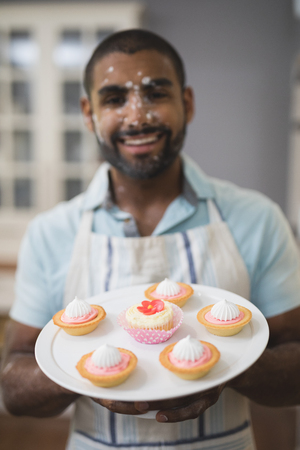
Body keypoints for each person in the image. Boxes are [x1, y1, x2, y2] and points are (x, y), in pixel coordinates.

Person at [1, 28, 300, 450]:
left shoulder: (257, 219)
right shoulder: (51, 234)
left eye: (155, 93)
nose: (136, 116)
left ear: (188, 103)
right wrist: (85, 374)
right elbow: (13, 390)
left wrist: (223, 366)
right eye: (114, 98)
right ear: (87, 113)